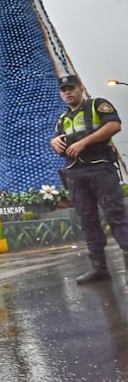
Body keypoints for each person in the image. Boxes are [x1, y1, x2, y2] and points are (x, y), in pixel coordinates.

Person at [50, 74, 128, 284]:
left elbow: (114, 126)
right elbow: (61, 143)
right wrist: (54, 142)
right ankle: (99, 269)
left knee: (116, 217)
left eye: (71, 88)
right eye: (64, 90)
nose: (68, 92)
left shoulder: (97, 105)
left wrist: (84, 142)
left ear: (81, 88)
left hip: (100, 169)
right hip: (75, 174)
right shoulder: (63, 119)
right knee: (88, 220)